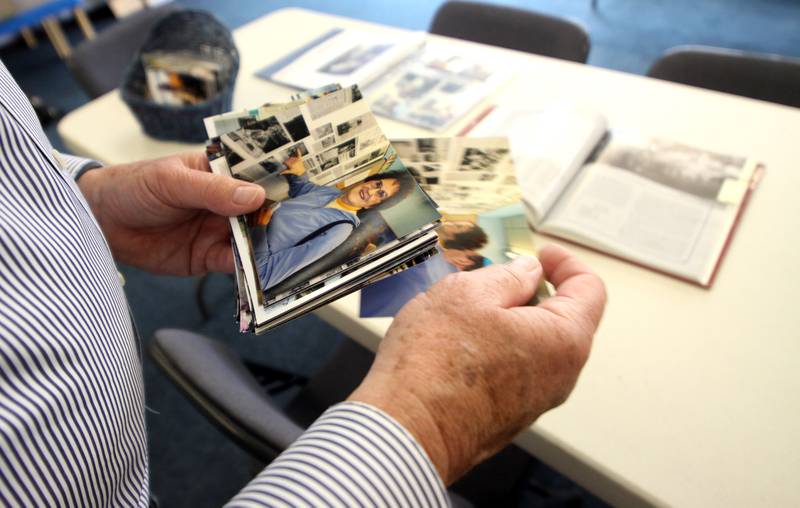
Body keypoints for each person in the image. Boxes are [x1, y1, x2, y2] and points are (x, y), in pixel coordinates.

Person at [0, 60, 606, 506]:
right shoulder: (322, 200)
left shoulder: (350, 223)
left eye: (375, 193)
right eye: (370, 188)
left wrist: (75, 198)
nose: (370, 192)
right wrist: (429, 420)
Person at [250, 154, 416, 292]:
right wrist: (299, 172)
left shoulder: (339, 230)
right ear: (367, 181)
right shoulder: (333, 193)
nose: (370, 191)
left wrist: (259, 228)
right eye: (377, 184)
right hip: (249, 220)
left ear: (372, 205)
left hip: (246, 251)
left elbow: (264, 277)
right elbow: (302, 189)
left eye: (380, 194)